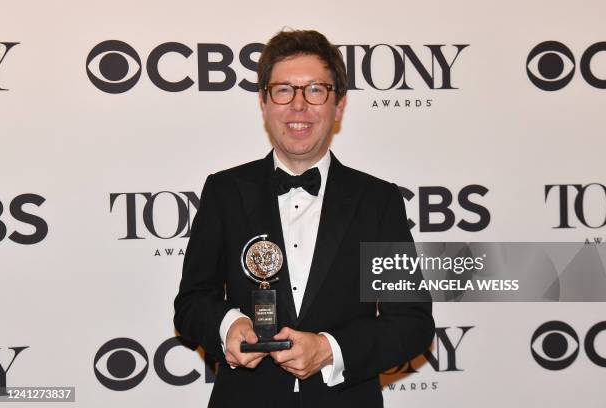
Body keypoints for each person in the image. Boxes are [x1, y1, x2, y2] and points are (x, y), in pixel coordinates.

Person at [174, 29, 435, 408]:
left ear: (338, 105)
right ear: (264, 102)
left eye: (315, 90)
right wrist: (229, 326)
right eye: (283, 90)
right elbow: (192, 301)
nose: (299, 105)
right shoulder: (225, 191)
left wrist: (330, 349)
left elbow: (411, 321)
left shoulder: (377, 200)